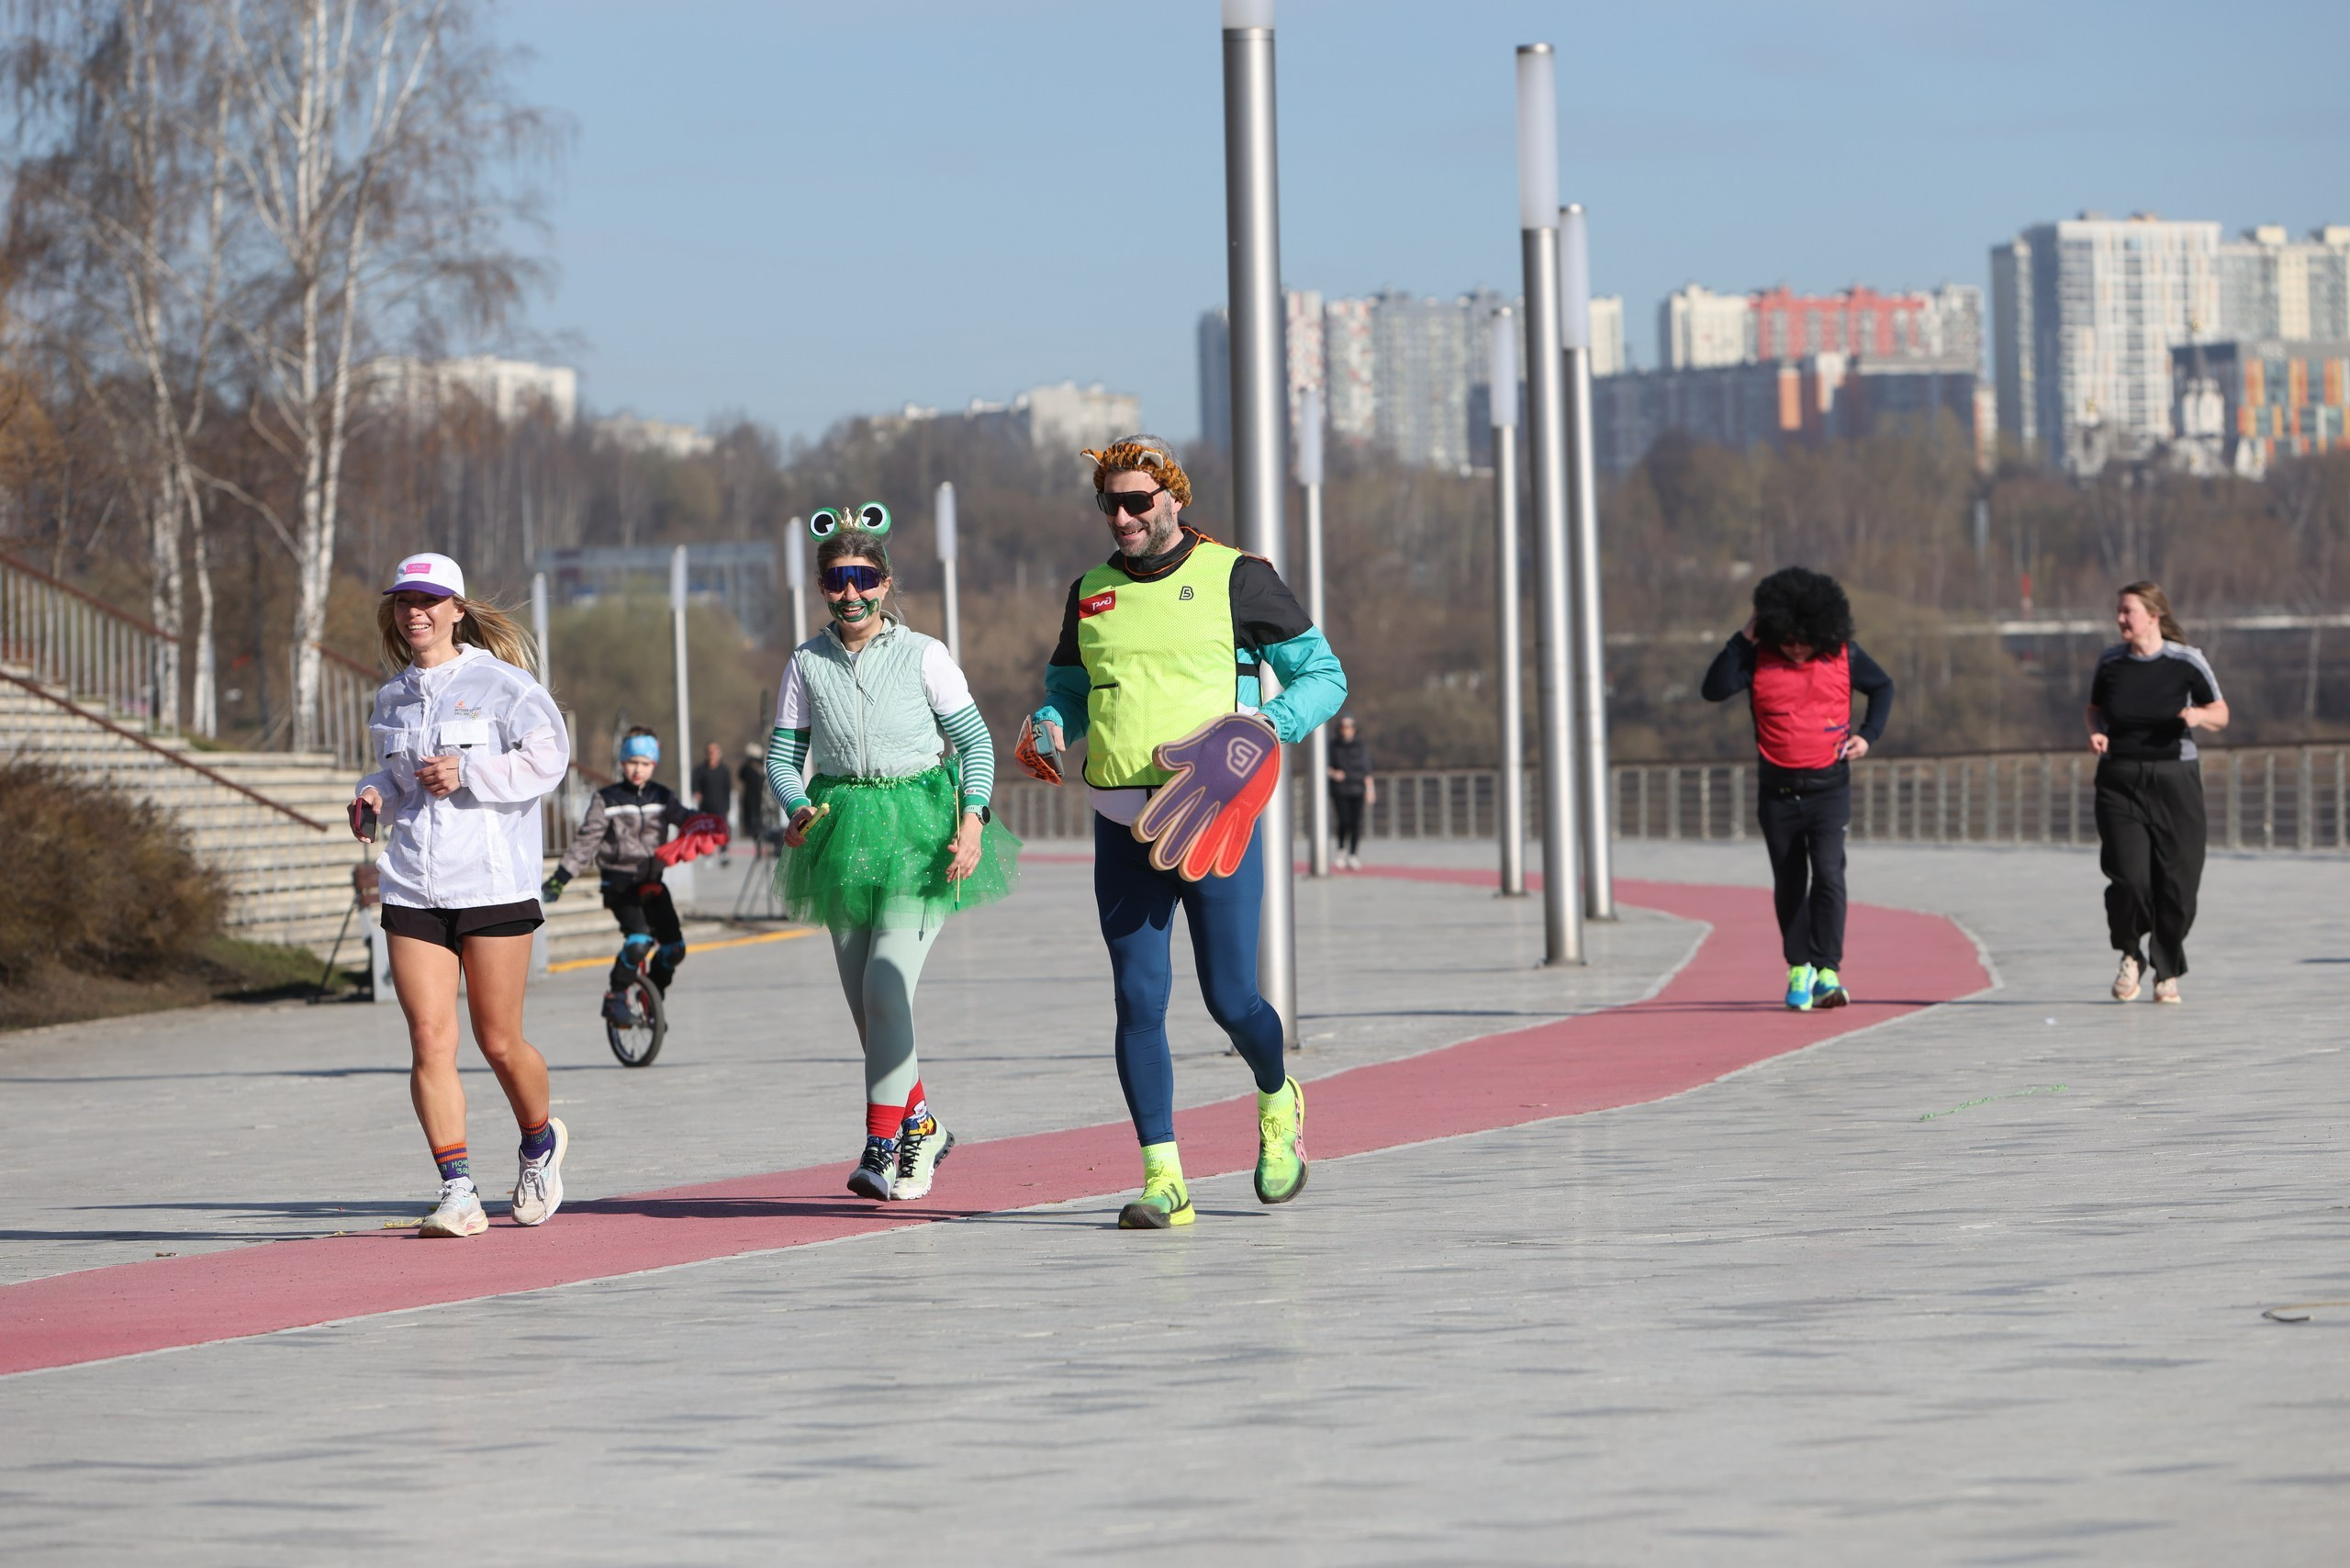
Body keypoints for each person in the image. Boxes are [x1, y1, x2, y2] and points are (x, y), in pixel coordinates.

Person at [1021, 436, 1347, 1230]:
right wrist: (1051, 723)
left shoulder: (1239, 576)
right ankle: (1164, 1179)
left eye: (1138, 501)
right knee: (1138, 998)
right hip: (1121, 825)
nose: (1122, 516)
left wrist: (1264, 728)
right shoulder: (1090, 591)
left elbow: (1324, 677)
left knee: (1230, 998)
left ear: (1174, 497)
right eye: (1110, 503)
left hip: (1213, 821)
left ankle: (1277, 1099)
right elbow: (1068, 689)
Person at [767, 505, 1018, 1203]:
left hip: (920, 831)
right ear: (822, 587)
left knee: (885, 984)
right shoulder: (805, 663)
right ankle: (924, 1126)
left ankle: (880, 1144)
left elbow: (976, 743)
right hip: (840, 832)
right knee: (870, 1009)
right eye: (836, 580)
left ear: (885, 583)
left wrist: (973, 818)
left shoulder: (924, 654)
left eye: (863, 579)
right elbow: (783, 757)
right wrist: (796, 807)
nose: (851, 594)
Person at [352, 552, 572, 1239]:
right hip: (413, 883)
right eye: (403, 601)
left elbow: (550, 760)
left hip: (492, 884)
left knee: (498, 1041)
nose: (414, 612)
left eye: (427, 601)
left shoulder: (503, 684)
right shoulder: (392, 697)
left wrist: (469, 770)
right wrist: (372, 794)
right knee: (428, 1039)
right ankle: (458, 1190)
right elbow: (398, 779)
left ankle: (539, 1144)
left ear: (456, 609)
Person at [1700, 566, 1894, 1012]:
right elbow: (1714, 689)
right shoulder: (1758, 657)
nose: (1796, 649)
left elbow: (1883, 687)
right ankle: (1799, 966)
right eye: (1787, 641)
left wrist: (1869, 735)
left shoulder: (1844, 655)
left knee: (1829, 875)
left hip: (1829, 789)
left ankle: (1828, 970)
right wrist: (1744, 637)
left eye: (1805, 641)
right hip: (1778, 794)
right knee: (1789, 881)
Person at [2087, 580, 2227, 1004]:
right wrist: (2097, 732)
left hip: (2175, 780)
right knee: (2129, 879)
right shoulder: (2111, 663)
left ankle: (2167, 970)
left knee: (2178, 884)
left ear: (2154, 615)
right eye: (2118, 611)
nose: (2120, 619)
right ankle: (2131, 955)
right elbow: (2094, 709)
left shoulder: (2186, 661)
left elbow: (2221, 713)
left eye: (2128, 611)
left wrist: (2199, 716)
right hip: (2120, 780)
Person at [543, 728, 694, 1025]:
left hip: (652, 881)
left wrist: (705, 823)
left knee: (675, 949)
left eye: (645, 763)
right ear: (622, 762)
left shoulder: (662, 797)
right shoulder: (607, 798)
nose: (638, 769)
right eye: (632, 762)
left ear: (654, 764)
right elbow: (587, 841)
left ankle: (652, 995)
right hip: (619, 883)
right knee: (639, 942)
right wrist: (562, 876)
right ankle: (615, 997)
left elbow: (685, 818)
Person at [1326, 714, 1375, 870]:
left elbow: (1367, 769)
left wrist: (1370, 790)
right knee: (1344, 821)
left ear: (1354, 729)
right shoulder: (1333, 746)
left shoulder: (1360, 746)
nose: (1345, 730)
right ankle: (1341, 850)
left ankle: (1353, 854)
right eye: (1343, 727)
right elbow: (1325, 765)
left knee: (1356, 823)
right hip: (1340, 789)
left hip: (1358, 788)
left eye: (1348, 727)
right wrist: (1334, 773)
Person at [692, 740, 734, 867]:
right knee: (706, 830)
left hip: (721, 805)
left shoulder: (724, 770)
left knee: (722, 829)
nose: (712, 754)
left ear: (719, 753)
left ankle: (723, 852)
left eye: (715, 751)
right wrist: (696, 792)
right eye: (710, 751)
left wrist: (728, 806)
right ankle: (708, 854)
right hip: (706, 805)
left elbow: (728, 788)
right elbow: (695, 785)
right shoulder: (700, 770)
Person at [736, 740, 769, 844]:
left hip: (760, 796)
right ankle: (753, 831)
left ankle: (759, 831)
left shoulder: (761, 768)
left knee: (759, 814)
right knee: (751, 815)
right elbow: (741, 775)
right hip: (750, 796)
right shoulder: (747, 768)